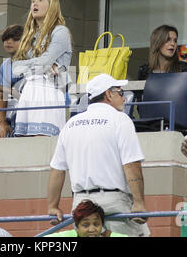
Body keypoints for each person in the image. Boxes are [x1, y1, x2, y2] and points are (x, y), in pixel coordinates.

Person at [47, 73, 150, 237]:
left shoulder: (70, 124)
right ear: (109, 94)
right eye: (120, 92)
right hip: (114, 203)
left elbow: (57, 169)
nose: (124, 98)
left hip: (81, 204)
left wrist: (53, 206)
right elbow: (131, 164)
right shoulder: (120, 119)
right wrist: (138, 203)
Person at [12, 0, 72, 136]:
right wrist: (39, 64)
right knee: (25, 142)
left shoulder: (61, 31)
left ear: (52, 6)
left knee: (43, 141)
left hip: (48, 89)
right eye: (33, 1)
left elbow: (45, 61)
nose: (34, 4)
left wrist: (31, 65)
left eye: (40, 0)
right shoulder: (30, 35)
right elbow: (14, 67)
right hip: (29, 89)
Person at [45, 199, 128, 237]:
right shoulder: (70, 236)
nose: (92, 230)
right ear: (77, 227)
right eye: (85, 225)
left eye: (96, 224)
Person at [0, 25, 24, 138]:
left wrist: (4, 88)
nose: (9, 42)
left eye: (15, 39)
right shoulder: (5, 65)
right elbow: (3, 96)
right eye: (6, 39)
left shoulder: (35, 60)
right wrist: (2, 123)